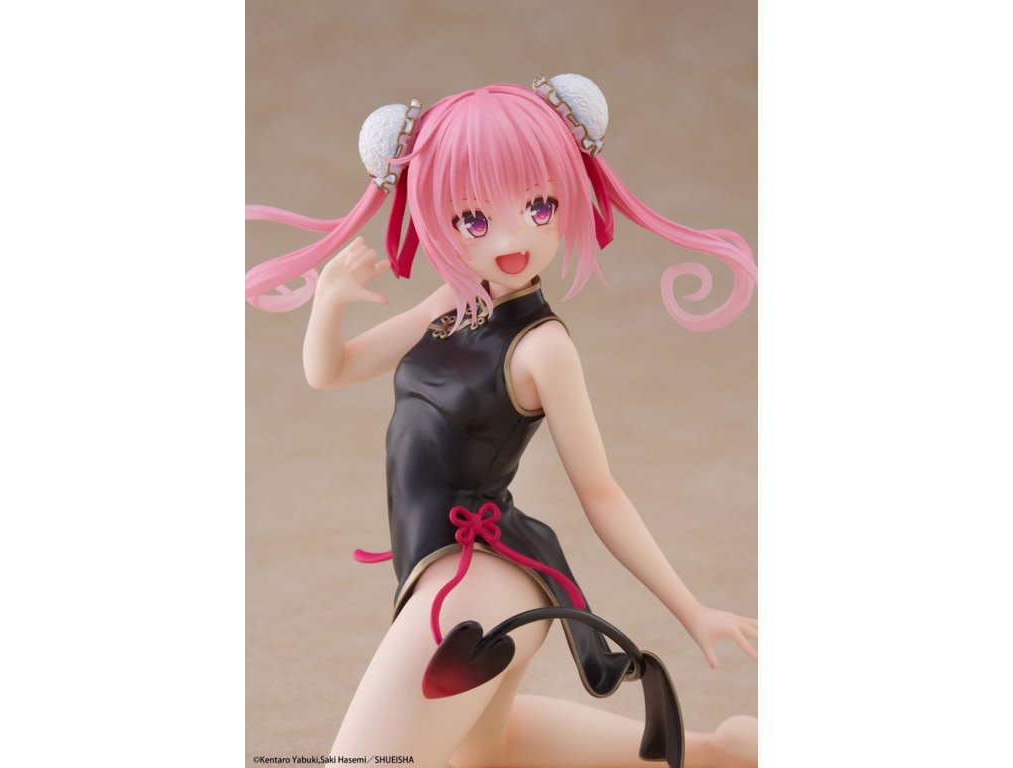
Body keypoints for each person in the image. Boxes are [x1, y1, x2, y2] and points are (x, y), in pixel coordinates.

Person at [246, 75, 758, 768]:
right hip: (450, 573)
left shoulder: (543, 348)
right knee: (488, 750)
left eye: (540, 205)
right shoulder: (451, 304)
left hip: (479, 586)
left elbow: (601, 492)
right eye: (474, 220)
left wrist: (691, 609)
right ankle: (724, 755)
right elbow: (331, 370)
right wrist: (327, 302)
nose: (514, 238)